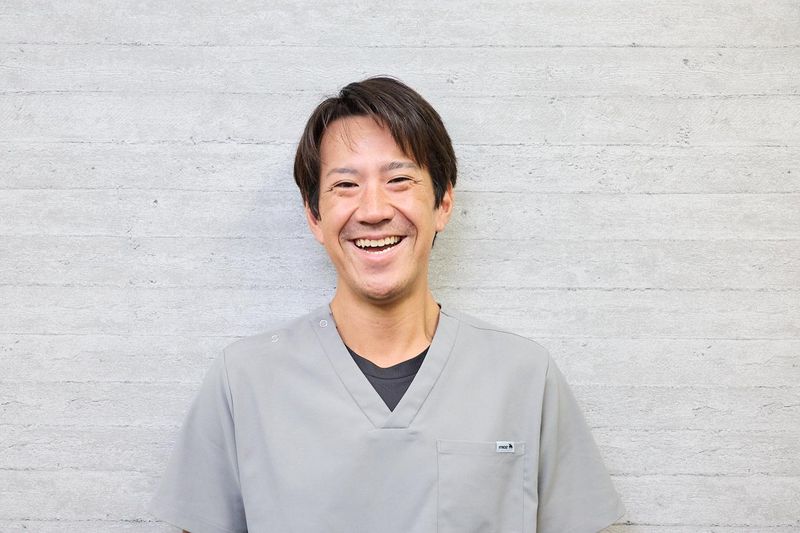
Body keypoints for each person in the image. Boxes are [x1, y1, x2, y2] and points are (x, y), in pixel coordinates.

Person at [149, 77, 625, 532]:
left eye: (399, 179)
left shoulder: (524, 377)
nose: (374, 211)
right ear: (314, 216)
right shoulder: (244, 381)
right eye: (345, 185)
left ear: (443, 203)